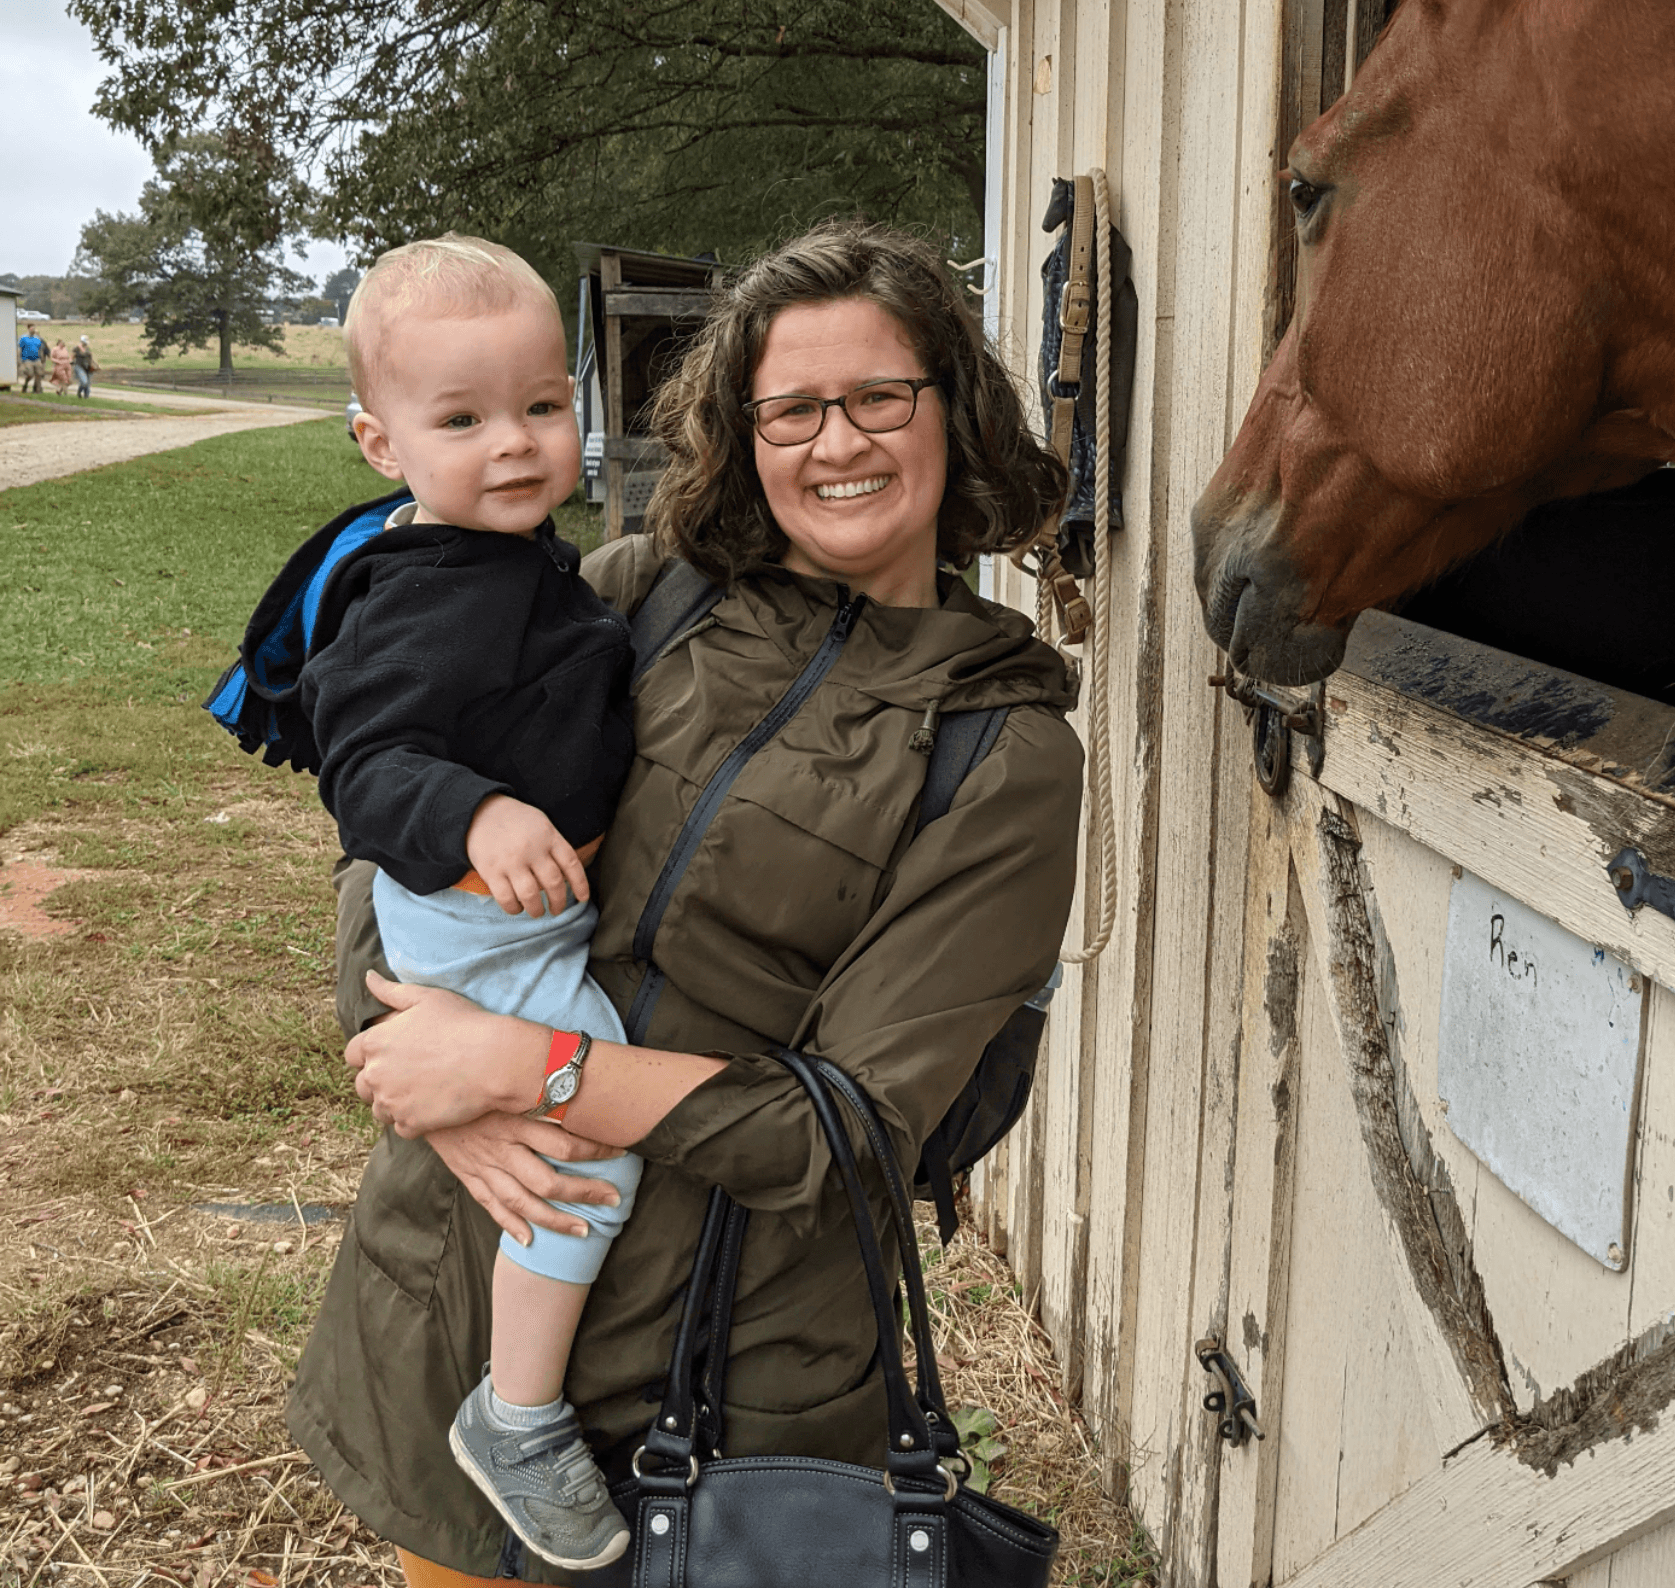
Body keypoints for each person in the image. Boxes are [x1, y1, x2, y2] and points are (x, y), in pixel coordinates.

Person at [286, 220, 1083, 1588]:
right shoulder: (637, 596)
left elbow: (846, 1132)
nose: (836, 442)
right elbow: (391, 820)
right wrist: (433, 1078)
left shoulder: (997, 750)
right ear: (743, 426)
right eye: (791, 407)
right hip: (466, 1277)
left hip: (726, 1368)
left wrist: (528, 1069)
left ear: (953, 407)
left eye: (880, 396)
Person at [242, 236, 645, 1569]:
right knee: (597, 1136)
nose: (517, 444)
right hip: (482, 921)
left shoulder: (500, 554)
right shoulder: (427, 588)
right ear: (377, 439)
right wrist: (480, 810)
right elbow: (368, 770)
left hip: (497, 907)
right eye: (462, 419)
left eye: (542, 404)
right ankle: (517, 1414)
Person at [17, 326, 44, 393]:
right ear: (28, 329)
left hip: (37, 359)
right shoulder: (23, 338)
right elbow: (19, 349)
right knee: (30, 374)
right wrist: (18, 359)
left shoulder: (37, 339)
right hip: (27, 359)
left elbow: (40, 349)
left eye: (34, 329)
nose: (33, 330)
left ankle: (37, 390)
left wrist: (42, 358)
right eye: (31, 329)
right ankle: (25, 385)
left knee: (39, 374)